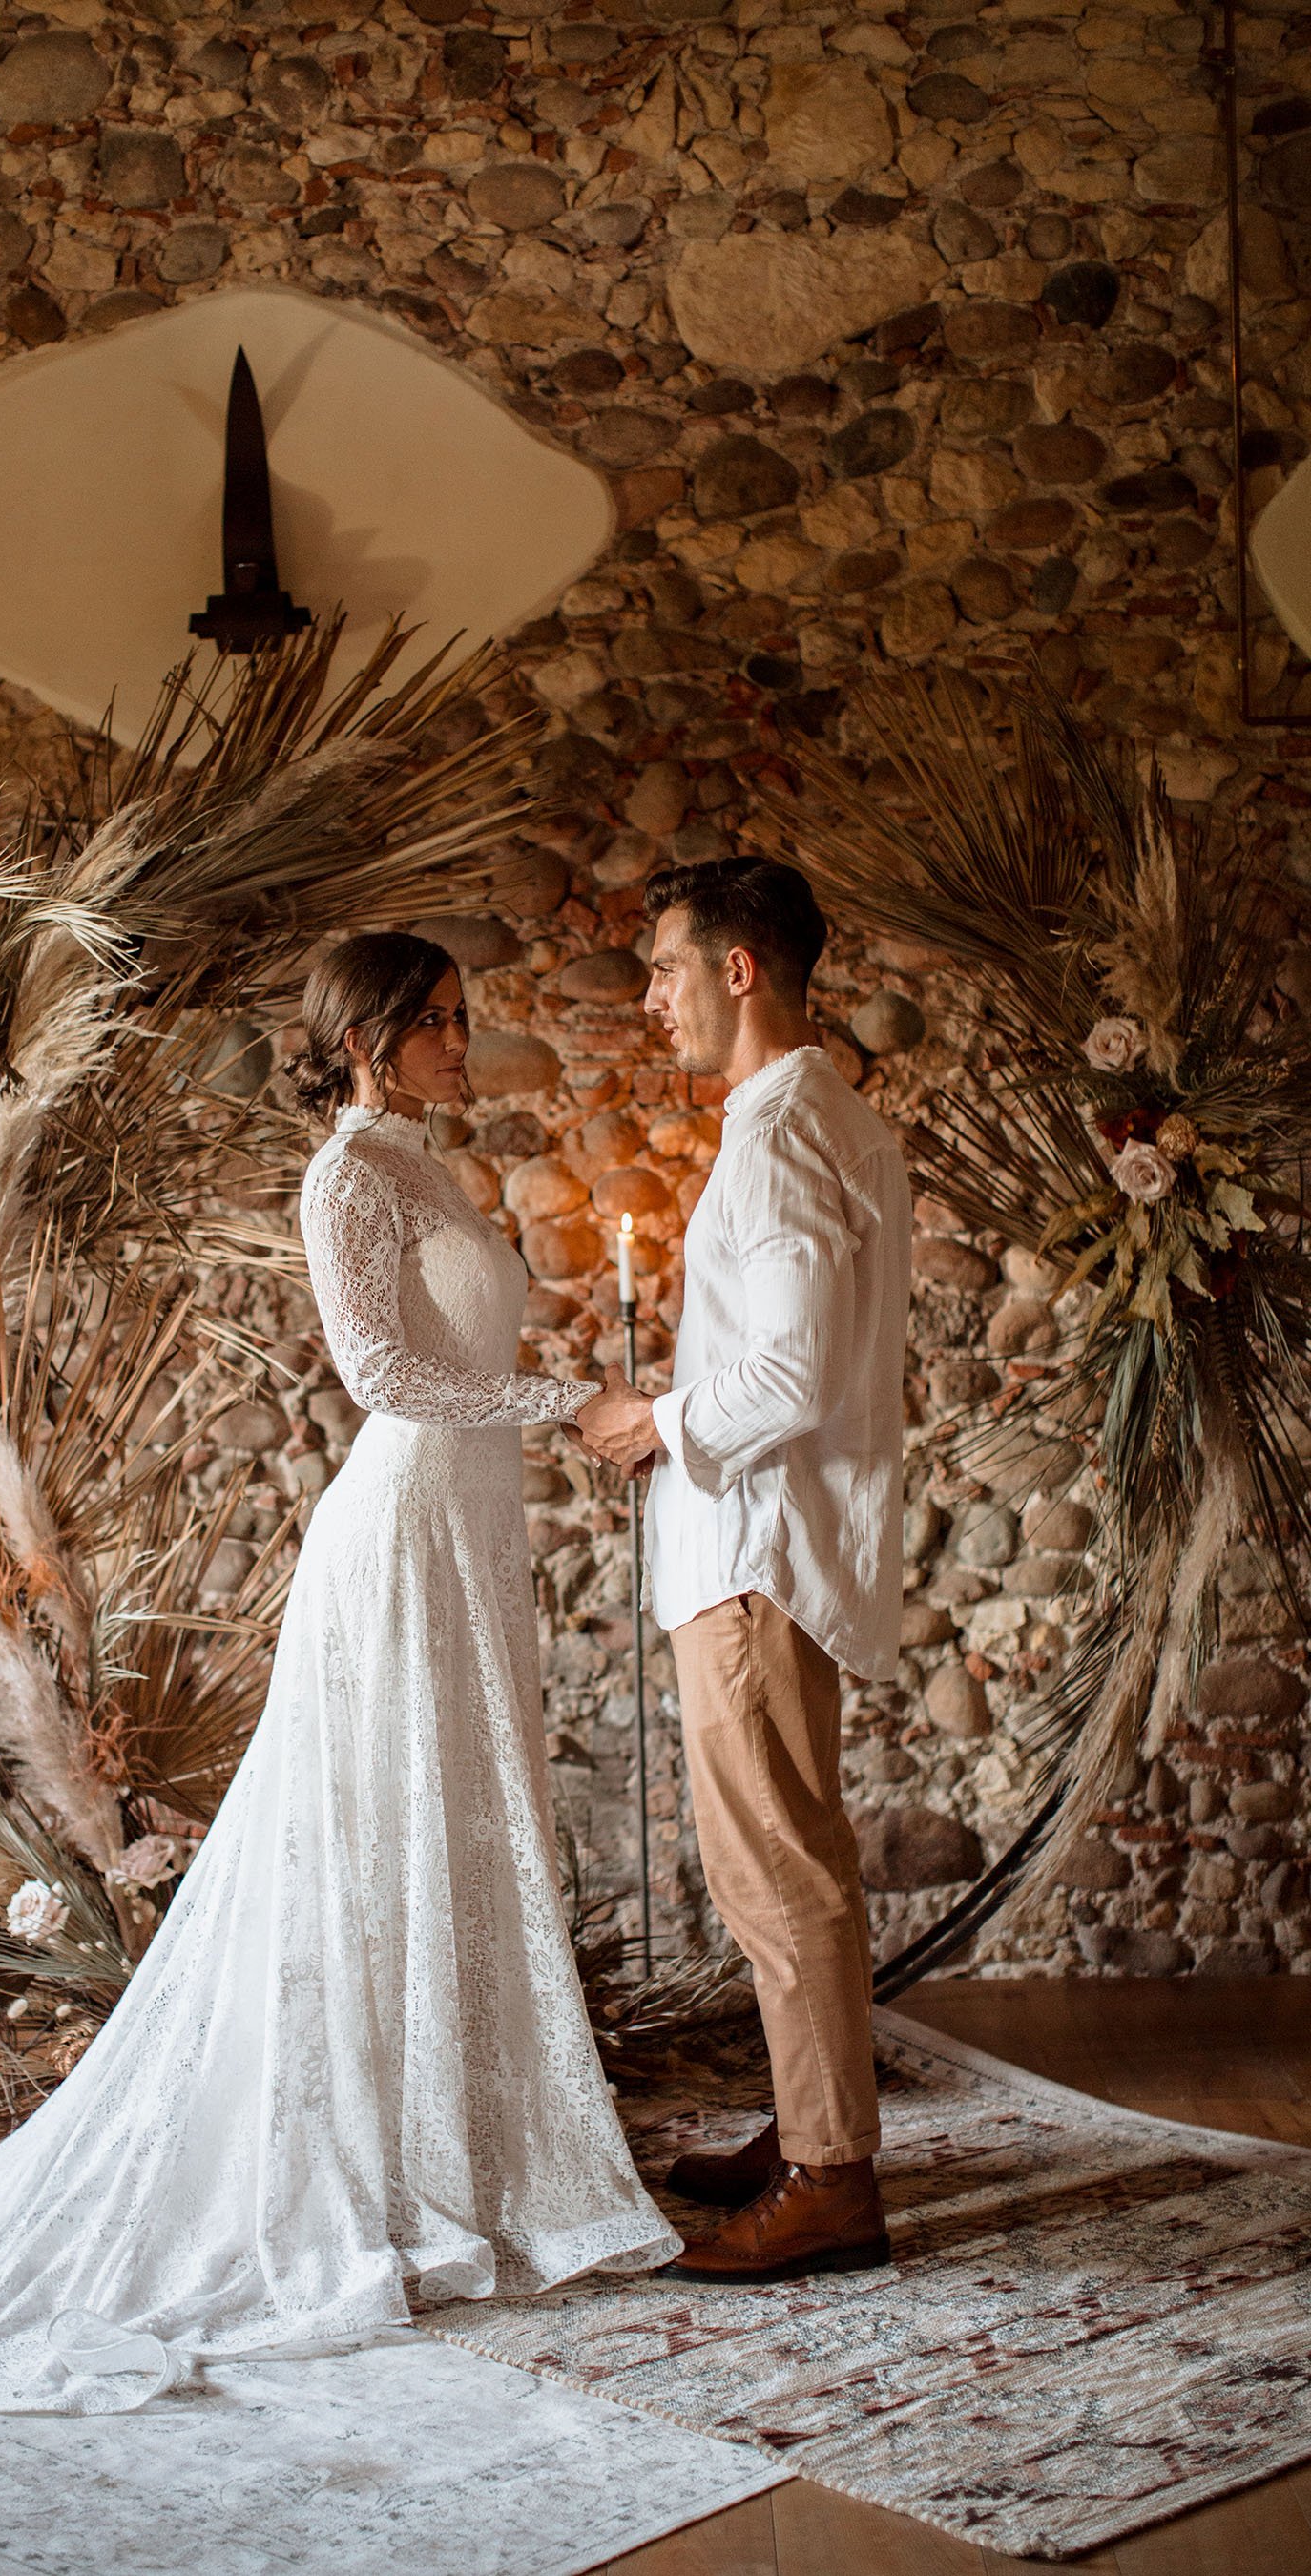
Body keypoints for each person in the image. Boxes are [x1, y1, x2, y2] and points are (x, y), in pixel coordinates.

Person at [0, 931, 677, 2417]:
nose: (468, 1042)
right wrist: (566, 1397)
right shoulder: (347, 1178)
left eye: (462, 1018)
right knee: (371, 1835)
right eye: (444, 1023)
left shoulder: (429, 1167)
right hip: (397, 1535)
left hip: (470, 1533)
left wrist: (548, 1402)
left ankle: (467, 2157)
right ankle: (371, 2175)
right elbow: (381, 1377)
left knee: (449, 1822)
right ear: (376, 1038)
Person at [575, 858, 911, 2287]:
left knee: (776, 1871)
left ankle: (833, 2179)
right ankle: (807, 2126)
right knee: (785, 1856)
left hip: (753, 1553)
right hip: (765, 1539)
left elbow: (788, 1370)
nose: (648, 997)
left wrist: (652, 1420)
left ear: (736, 970)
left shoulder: (781, 1138)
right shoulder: (823, 1117)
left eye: (661, 968)